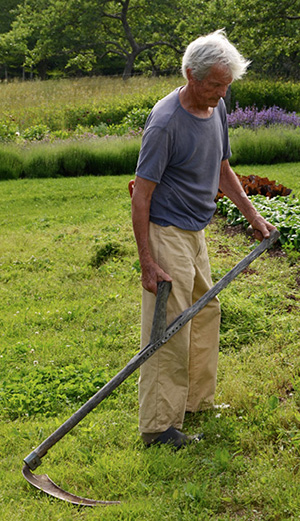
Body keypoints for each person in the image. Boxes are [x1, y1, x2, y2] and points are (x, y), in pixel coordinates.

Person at [131, 29, 276, 449]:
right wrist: (147, 261)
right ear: (191, 77)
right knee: (169, 327)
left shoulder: (216, 108)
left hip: (195, 230)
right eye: (215, 84)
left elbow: (222, 167)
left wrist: (253, 215)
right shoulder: (165, 123)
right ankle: (158, 427)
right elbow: (141, 197)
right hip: (166, 231)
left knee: (205, 310)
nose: (221, 91)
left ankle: (194, 402)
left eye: (225, 84)